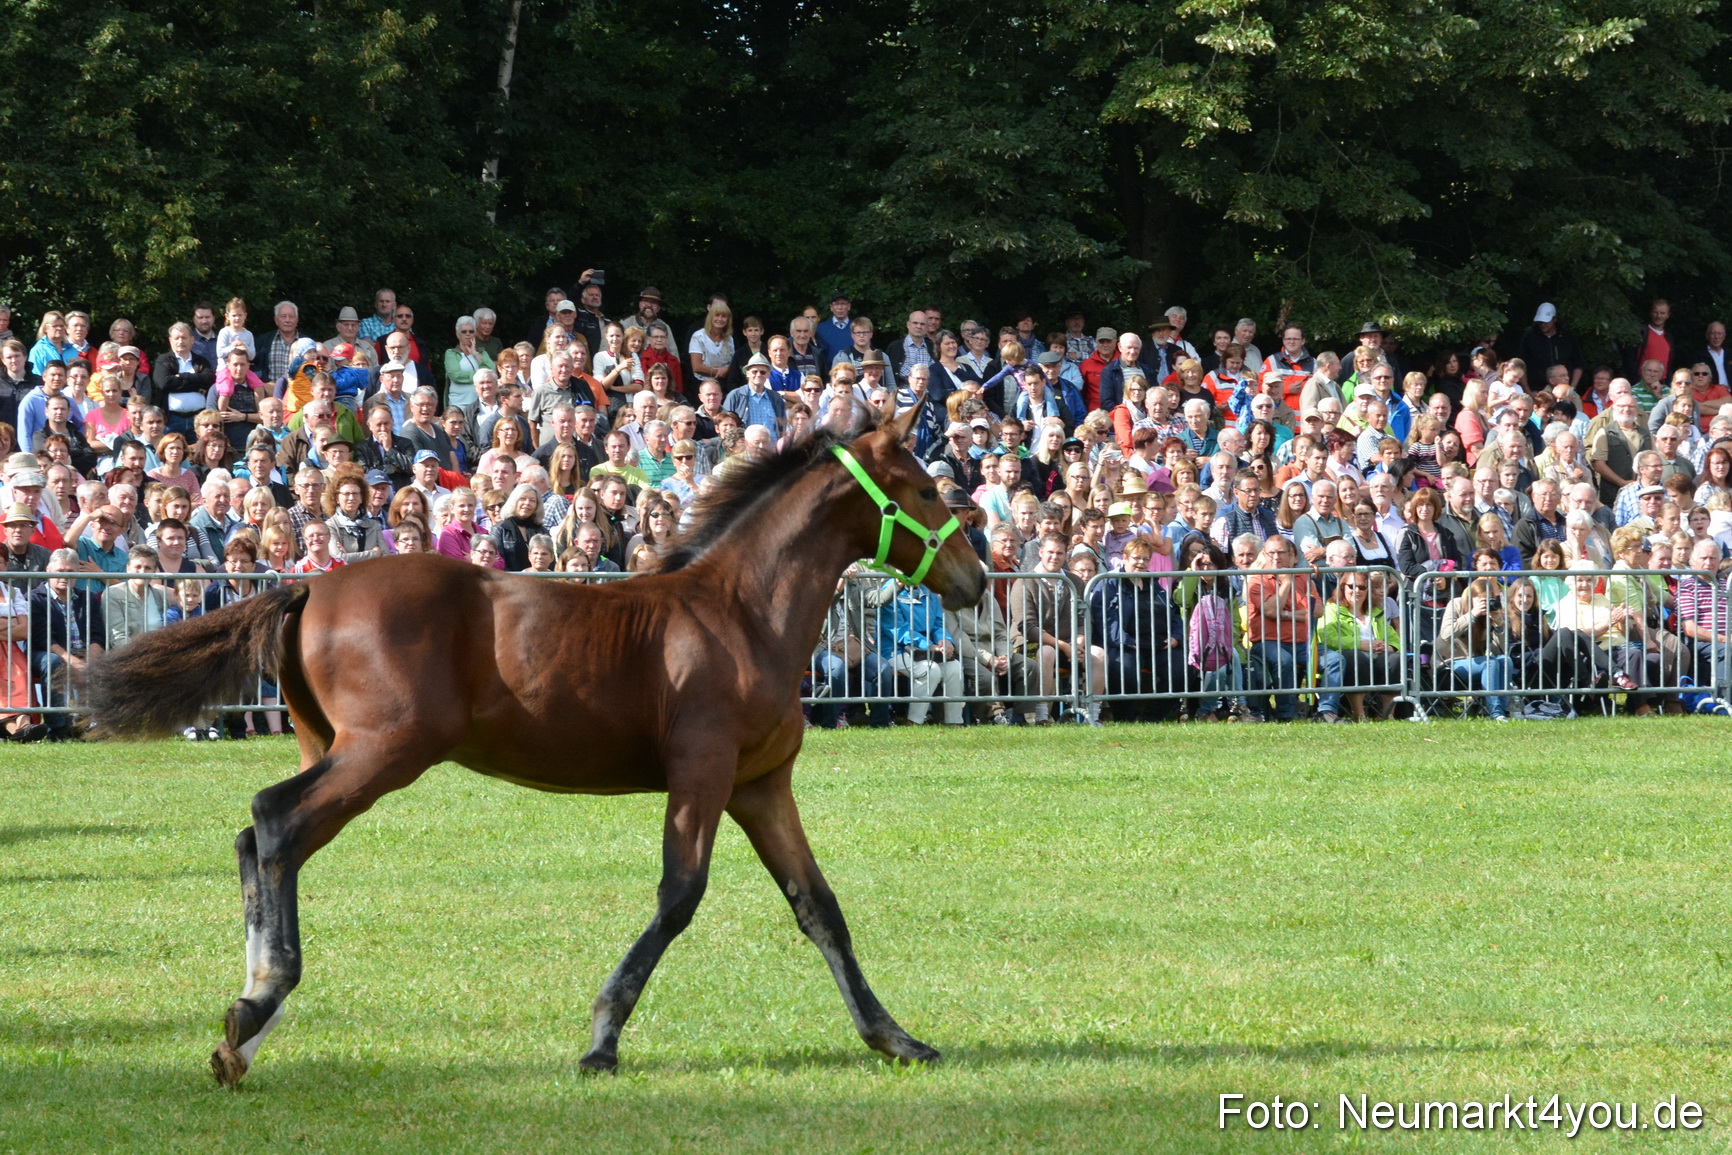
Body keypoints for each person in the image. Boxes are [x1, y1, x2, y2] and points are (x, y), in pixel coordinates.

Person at [27, 548, 105, 739]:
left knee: (108, 662)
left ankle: (95, 724)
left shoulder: (87, 599)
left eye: (70, 572)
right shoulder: (35, 599)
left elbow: (97, 636)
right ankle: (58, 727)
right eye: (60, 571)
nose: (65, 577)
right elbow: (44, 639)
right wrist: (71, 661)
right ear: (48, 570)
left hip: (83, 653)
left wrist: (90, 661)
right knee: (52, 662)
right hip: (47, 653)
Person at [1316, 567, 1402, 722]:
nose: (1357, 590)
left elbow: (1394, 637)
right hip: (1351, 654)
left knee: (1395, 659)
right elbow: (1328, 637)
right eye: (1351, 586)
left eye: (1362, 587)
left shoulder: (1376, 611)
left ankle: (1388, 714)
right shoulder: (1331, 609)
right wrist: (1360, 644)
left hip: (1378, 654)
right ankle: (1359, 713)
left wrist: (1389, 647)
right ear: (1343, 587)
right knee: (1356, 658)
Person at [1438, 575, 1514, 721]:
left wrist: (1499, 626)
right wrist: (1472, 615)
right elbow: (1446, 634)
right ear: (1471, 598)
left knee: (1506, 660)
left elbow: (1500, 650)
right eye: (1481, 600)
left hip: (1475, 663)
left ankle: (1504, 711)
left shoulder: (1489, 614)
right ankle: (1495, 712)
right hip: (1449, 663)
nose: (1485, 604)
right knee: (1490, 662)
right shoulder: (1457, 604)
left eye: (1488, 600)